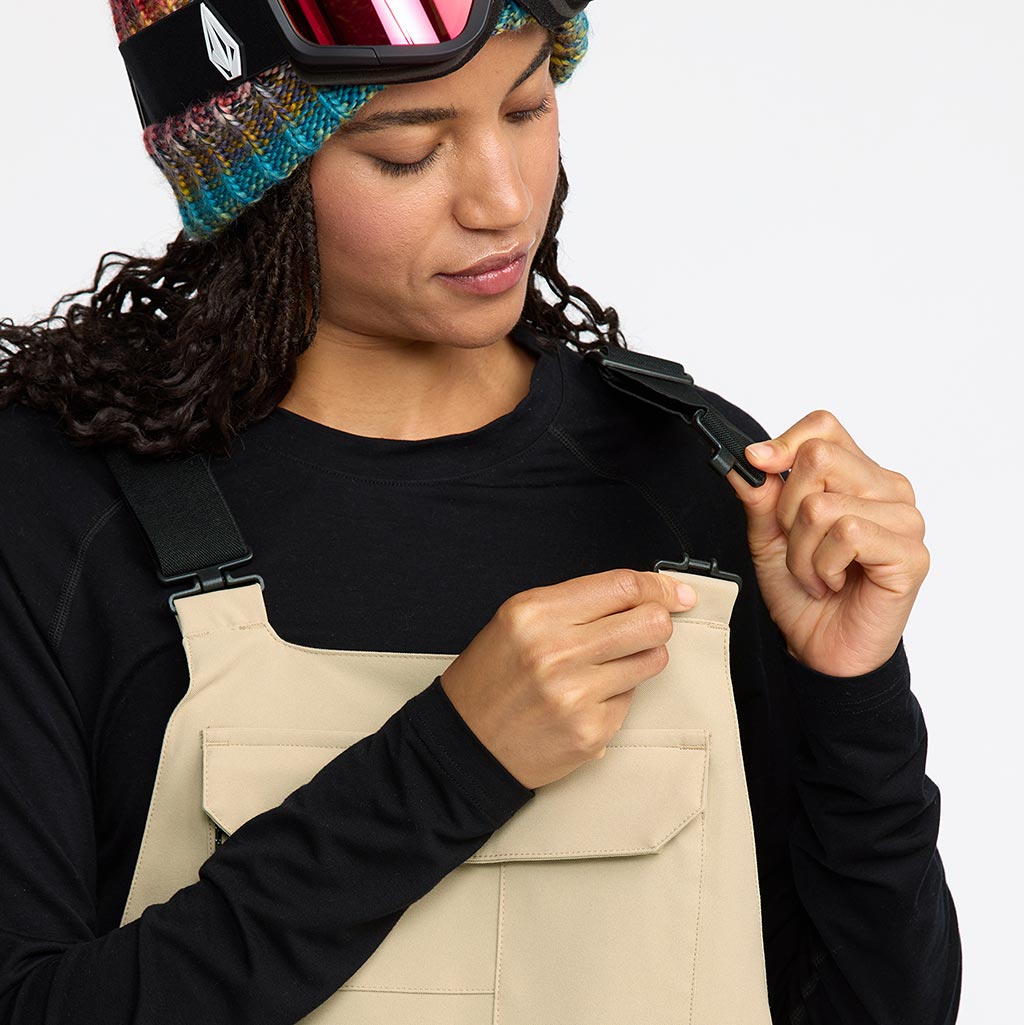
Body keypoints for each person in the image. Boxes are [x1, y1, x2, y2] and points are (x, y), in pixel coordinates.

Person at [0, 1, 961, 1023]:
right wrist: (449, 763)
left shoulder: (690, 476)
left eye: (527, 106)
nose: (502, 201)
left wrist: (854, 693)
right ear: (255, 174)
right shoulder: (59, 505)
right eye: (408, 153)